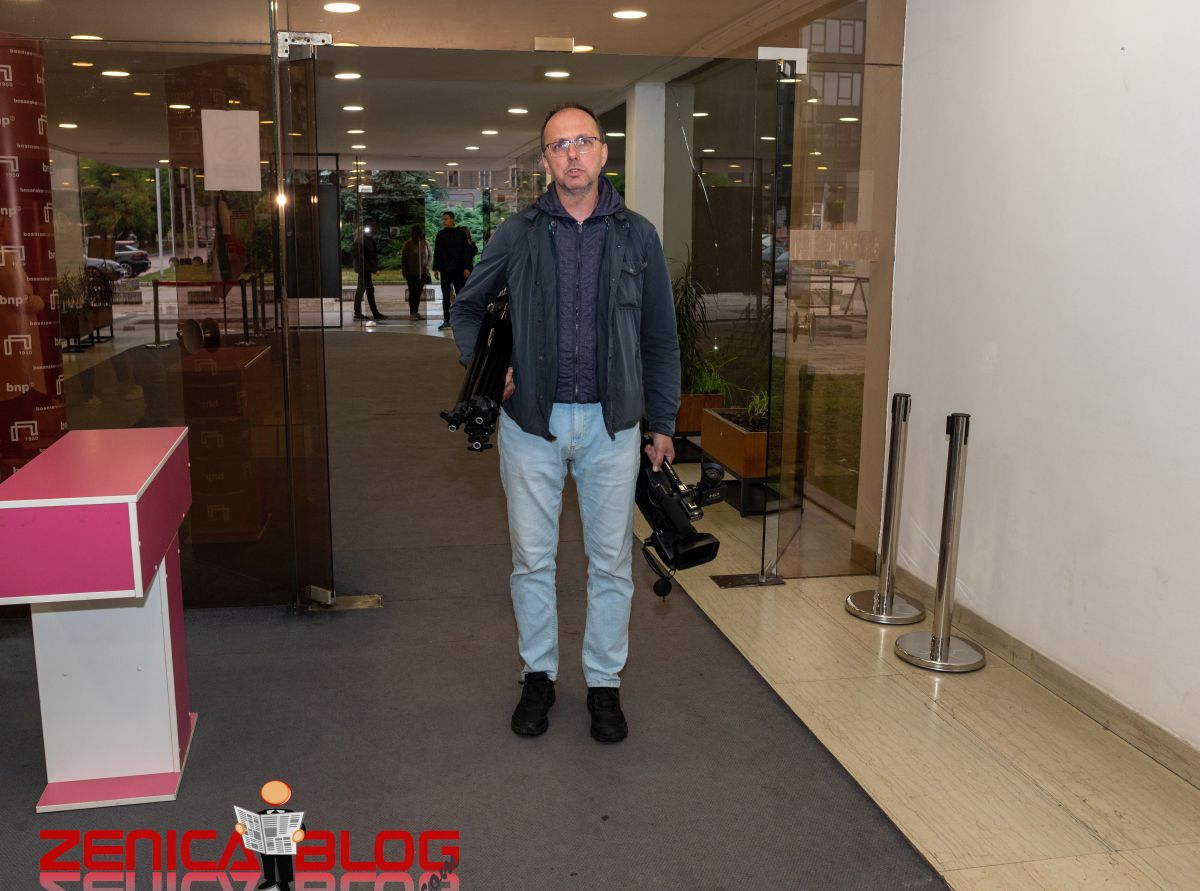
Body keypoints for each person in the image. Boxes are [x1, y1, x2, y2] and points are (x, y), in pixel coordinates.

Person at [450, 103, 680, 744]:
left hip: (613, 428)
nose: (572, 154)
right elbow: (467, 309)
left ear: (603, 152)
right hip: (532, 425)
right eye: (559, 145)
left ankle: (604, 683)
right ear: (546, 160)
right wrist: (488, 370)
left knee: (611, 564)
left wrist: (662, 421)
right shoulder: (517, 234)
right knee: (532, 561)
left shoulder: (638, 237)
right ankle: (539, 676)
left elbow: (661, 338)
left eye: (583, 141)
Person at [234, 779, 306, 891]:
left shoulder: (289, 813)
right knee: (268, 862)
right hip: (265, 844)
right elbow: (250, 824)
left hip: (283, 844)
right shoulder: (260, 814)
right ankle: (271, 879)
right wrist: (243, 829)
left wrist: (300, 833)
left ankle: (284, 883)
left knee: (284, 862)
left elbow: (300, 825)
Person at [432, 210, 474, 330]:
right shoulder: (440, 234)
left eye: (446, 219)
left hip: (458, 269)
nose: (444, 221)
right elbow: (437, 252)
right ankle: (447, 319)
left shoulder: (460, 234)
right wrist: (435, 268)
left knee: (460, 294)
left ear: (452, 220)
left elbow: (466, 252)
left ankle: (460, 318)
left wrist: (466, 267)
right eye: (443, 219)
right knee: (445, 295)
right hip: (445, 269)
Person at [352, 221, 386, 320]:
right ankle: (369, 313)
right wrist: (372, 269)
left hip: (365, 270)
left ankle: (366, 312)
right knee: (366, 290)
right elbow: (363, 258)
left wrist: (373, 268)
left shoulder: (367, 240)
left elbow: (370, 256)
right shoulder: (360, 242)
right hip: (364, 270)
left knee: (365, 290)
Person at [400, 225, 431, 321]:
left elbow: (430, 256)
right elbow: (403, 258)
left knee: (418, 293)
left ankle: (415, 312)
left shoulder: (425, 243)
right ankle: (412, 312)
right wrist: (404, 270)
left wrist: (427, 265)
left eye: (413, 232)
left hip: (422, 273)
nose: (412, 234)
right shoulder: (408, 244)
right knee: (412, 292)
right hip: (411, 273)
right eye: (411, 233)